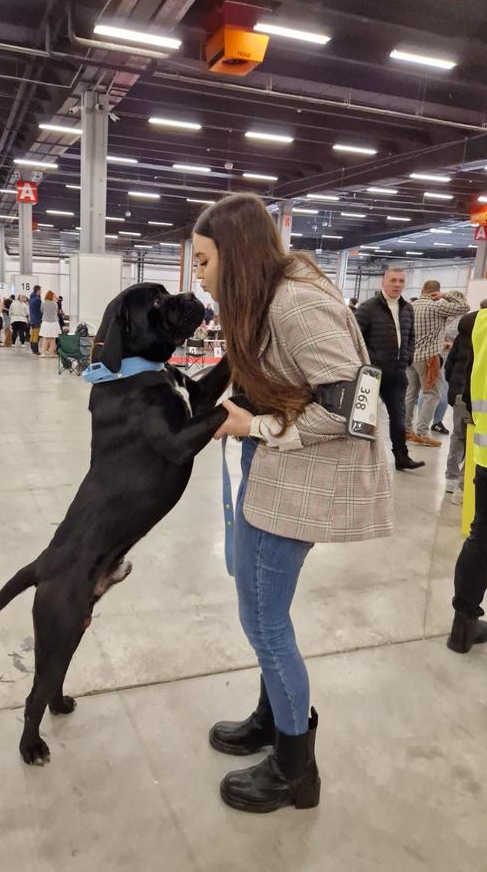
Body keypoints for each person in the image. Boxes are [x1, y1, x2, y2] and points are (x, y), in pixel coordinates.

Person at [193, 193, 393, 815]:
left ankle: (295, 769)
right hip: (276, 470)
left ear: (237, 253)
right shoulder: (267, 300)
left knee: (265, 624)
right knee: (261, 615)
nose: (197, 273)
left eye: (202, 260)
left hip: (299, 477)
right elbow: (284, 383)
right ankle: (270, 718)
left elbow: (355, 410)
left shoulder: (296, 304)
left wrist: (255, 430)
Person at [447, 305, 487, 654]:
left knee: (481, 536)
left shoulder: (478, 322)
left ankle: (463, 627)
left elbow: (461, 374)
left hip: (485, 452)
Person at [355, 268, 423, 471]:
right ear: (382, 282)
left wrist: (408, 356)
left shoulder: (407, 309)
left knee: (399, 417)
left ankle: (401, 456)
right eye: (393, 280)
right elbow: (356, 339)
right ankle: (361, 460)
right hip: (372, 374)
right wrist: (372, 360)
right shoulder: (368, 308)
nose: (397, 284)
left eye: (401, 281)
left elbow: (411, 336)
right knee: (364, 419)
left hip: (397, 373)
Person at [405, 280, 469, 447]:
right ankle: (422, 433)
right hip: (428, 359)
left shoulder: (411, 306)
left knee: (410, 394)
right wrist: (445, 296)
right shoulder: (437, 306)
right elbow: (464, 307)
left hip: (410, 357)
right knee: (432, 395)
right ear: (437, 292)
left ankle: (405, 430)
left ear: (422, 290)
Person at [444, 311, 477, 506]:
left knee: (458, 435)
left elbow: (449, 364)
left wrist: (452, 389)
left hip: (459, 393)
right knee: (476, 441)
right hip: (475, 393)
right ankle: (463, 486)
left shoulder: (461, 336)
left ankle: (451, 477)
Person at [40, 290, 60, 357]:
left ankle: (43, 353)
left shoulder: (43, 303)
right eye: (54, 296)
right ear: (51, 296)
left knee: (45, 338)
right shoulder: (55, 303)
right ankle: (52, 353)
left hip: (46, 322)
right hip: (54, 322)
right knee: (53, 339)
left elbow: (42, 311)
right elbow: (56, 312)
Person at [29, 285, 43, 355]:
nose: (41, 291)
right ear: (37, 290)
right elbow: (40, 310)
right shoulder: (37, 299)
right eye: (40, 290)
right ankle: (35, 350)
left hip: (32, 319)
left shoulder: (31, 298)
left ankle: (32, 348)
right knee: (36, 335)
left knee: (33, 334)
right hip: (37, 319)